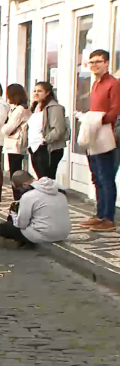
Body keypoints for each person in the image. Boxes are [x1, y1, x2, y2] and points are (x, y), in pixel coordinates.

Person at [81, 49, 120, 232]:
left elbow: (115, 110)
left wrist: (96, 120)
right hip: (93, 133)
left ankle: (108, 218)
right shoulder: (95, 84)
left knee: (106, 177)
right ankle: (99, 214)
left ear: (106, 63)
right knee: (96, 177)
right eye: (92, 62)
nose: (94, 65)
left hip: (106, 135)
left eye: (98, 61)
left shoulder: (113, 83)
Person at [0, 170, 71, 248]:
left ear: (24, 185)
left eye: (18, 189)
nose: (19, 192)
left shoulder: (28, 196)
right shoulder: (59, 192)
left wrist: (13, 214)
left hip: (43, 235)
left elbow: (21, 224)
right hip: (63, 234)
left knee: (4, 227)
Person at [27, 81, 68, 181]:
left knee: (47, 180)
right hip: (34, 147)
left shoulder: (55, 108)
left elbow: (58, 129)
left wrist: (44, 140)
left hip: (48, 148)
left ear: (48, 93)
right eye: (34, 91)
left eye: (39, 91)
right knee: (41, 179)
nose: (36, 93)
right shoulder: (36, 107)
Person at [2, 84, 31, 200]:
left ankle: (18, 198)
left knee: (15, 173)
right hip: (15, 143)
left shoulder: (19, 110)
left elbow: (8, 129)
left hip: (15, 143)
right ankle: (19, 197)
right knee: (16, 171)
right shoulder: (20, 108)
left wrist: (3, 127)